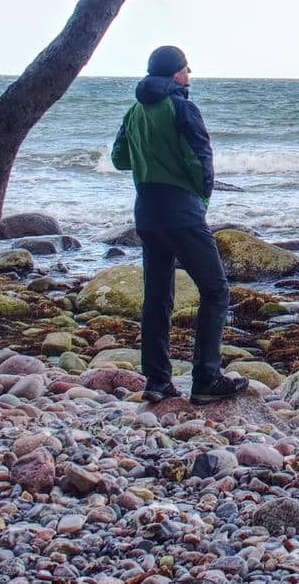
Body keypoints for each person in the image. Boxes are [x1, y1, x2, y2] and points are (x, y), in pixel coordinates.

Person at [110, 45, 247, 404]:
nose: (190, 74)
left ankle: (157, 382)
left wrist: (151, 157)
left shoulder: (134, 111)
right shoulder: (182, 107)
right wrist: (201, 200)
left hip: (147, 212)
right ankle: (206, 379)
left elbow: (119, 158)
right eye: (187, 69)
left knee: (157, 297)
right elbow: (203, 159)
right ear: (175, 74)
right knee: (216, 290)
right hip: (182, 211)